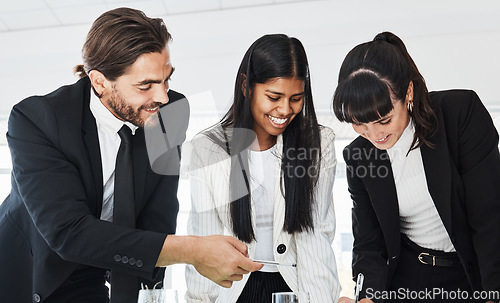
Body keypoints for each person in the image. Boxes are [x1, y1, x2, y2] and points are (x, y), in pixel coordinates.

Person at [0, 7, 261, 303]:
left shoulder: (170, 112)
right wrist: (192, 251)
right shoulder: (38, 119)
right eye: (145, 85)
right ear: (99, 82)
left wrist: (152, 295)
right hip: (29, 272)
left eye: (166, 79)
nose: (162, 96)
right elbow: (68, 233)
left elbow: (158, 213)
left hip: (99, 268)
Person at [333, 32, 500, 302]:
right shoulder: (359, 156)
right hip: (409, 280)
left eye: (384, 121)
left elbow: (490, 217)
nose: (374, 135)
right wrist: (367, 297)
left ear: (408, 93)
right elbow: (369, 242)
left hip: (473, 273)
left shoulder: (460, 115)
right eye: (359, 124)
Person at [185, 34, 341, 303]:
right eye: (274, 96)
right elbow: (204, 238)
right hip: (233, 289)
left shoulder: (318, 143)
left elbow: (314, 235)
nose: (284, 109)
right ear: (247, 87)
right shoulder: (208, 148)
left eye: (296, 98)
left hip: (296, 287)